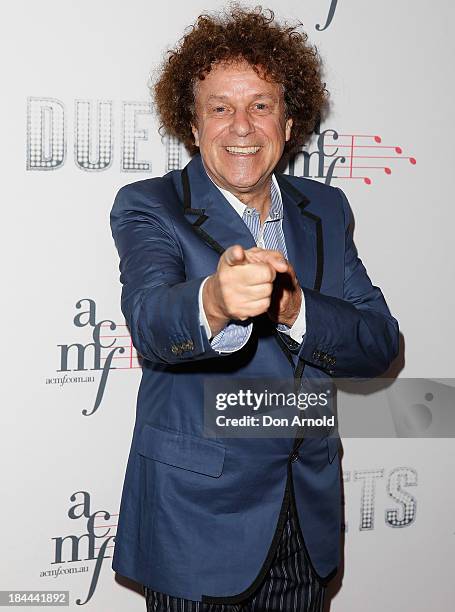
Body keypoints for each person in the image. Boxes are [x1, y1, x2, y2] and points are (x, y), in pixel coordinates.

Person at [110, 6, 399, 611]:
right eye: (220, 107)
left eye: (260, 105)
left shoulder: (327, 208)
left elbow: (379, 344)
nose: (241, 126)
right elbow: (150, 319)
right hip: (197, 519)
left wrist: (296, 310)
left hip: (308, 515)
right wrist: (213, 301)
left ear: (288, 122)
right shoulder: (150, 206)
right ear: (192, 124)